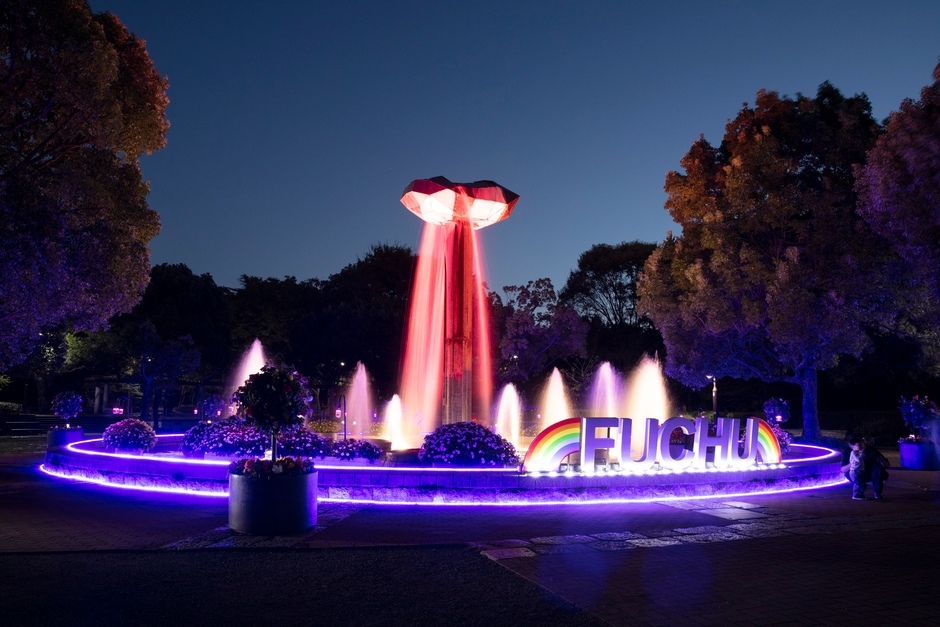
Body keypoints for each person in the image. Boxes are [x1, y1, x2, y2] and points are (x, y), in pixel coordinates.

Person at [840, 433, 890, 500]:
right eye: (857, 444)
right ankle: (858, 494)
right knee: (857, 476)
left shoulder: (871, 449)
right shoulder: (849, 451)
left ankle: (877, 492)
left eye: (861, 443)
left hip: (869, 472)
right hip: (857, 472)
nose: (861, 445)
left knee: (877, 467)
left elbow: (886, 464)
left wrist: (881, 460)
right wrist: (852, 464)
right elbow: (843, 469)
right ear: (852, 446)